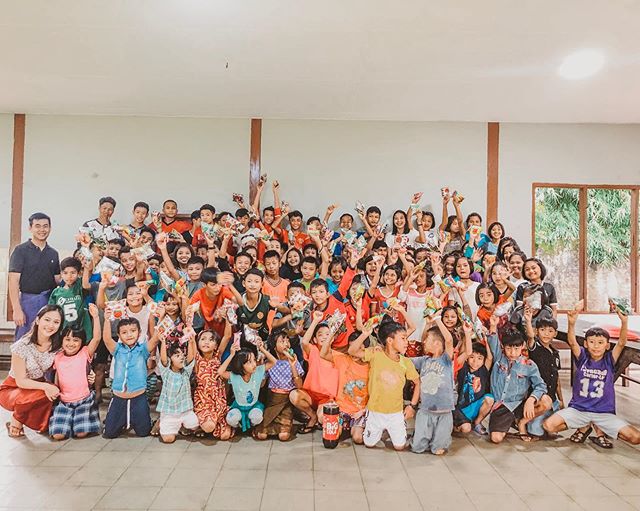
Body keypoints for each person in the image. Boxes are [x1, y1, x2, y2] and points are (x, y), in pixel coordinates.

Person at [543, 306, 640, 447]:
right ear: (586, 344)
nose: (596, 346)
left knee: (635, 438)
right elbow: (572, 342)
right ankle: (585, 426)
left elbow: (621, 343)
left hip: (603, 413)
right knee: (549, 426)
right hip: (579, 410)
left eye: (600, 343)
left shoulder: (609, 360)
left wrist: (624, 322)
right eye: (592, 342)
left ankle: (600, 428)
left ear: (607, 346)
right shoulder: (582, 357)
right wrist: (571, 322)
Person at [348, 321, 420, 451]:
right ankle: (377, 428)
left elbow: (417, 382)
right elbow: (352, 350)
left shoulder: (406, 362)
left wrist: (412, 406)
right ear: (390, 341)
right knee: (369, 443)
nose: (406, 342)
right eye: (403, 339)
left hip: (396, 413)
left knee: (399, 447)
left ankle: (391, 429)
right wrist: (364, 334)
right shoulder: (376, 354)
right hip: (375, 411)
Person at [485, 316, 551, 443]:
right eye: (509, 348)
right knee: (496, 438)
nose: (512, 353)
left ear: (523, 346)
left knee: (546, 401)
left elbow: (541, 386)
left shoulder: (529, 365)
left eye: (516, 348)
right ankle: (509, 423)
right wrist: (493, 325)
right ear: (503, 347)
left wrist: (531, 400)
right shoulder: (499, 357)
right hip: (502, 406)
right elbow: (492, 340)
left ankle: (521, 423)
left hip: (519, 404)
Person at [0, 305, 63, 437]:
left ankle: (31, 419)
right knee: (45, 391)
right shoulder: (21, 346)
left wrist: (89, 374)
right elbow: (21, 381)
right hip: (13, 387)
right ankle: (16, 420)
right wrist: (46, 386)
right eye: (47, 320)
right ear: (38, 320)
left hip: (37, 386)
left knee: (52, 393)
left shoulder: (58, 346)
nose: (51, 325)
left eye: (56, 322)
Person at [102, 314, 163, 438]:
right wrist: (107, 319)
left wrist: (161, 317)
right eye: (124, 332)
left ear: (139, 333)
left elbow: (156, 338)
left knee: (143, 432)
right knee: (109, 433)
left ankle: (147, 421)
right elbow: (107, 339)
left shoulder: (143, 349)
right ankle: (121, 421)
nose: (129, 335)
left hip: (138, 398)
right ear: (119, 335)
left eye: (133, 331)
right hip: (119, 398)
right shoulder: (117, 349)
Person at [49, 304, 102, 440]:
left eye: (76, 340)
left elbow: (96, 339)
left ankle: (77, 421)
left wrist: (95, 317)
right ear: (62, 341)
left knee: (81, 433)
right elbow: (57, 378)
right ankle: (69, 420)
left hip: (84, 400)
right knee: (58, 435)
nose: (71, 343)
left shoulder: (85, 353)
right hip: (64, 401)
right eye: (67, 339)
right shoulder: (58, 356)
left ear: (81, 342)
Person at [8, 213, 61, 339]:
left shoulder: (53, 253)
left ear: (50, 228)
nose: (42, 230)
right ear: (30, 228)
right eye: (37, 226)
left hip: (49, 302)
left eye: (45, 226)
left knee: (47, 340)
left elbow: (58, 280)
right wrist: (17, 309)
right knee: (24, 340)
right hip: (27, 302)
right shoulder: (20, 251)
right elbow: (13, 280)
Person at [319, 329, 372, 444]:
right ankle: (343, 427)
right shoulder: (342, 359)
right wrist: (332, 333)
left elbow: (375, 394)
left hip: (360, 411)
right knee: (333, 435)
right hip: (342, 409)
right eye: (351, 347)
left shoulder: (371, 367)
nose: (354, 352)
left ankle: (357, 428)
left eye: (358, 347)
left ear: (365, 349)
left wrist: (364, 411)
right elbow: (323, 353)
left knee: (358, 438)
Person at [290, 311, 339, 433]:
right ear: (315, 339)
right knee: (294, 396)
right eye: (320, 335)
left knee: (324, 418)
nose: (324, 337)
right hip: (310, 395)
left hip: (327, 398)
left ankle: (319, 417)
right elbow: (304, 342)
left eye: (327, 334)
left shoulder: (336, 356)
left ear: (332, 338)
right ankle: (312, 416)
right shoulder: (313, 350)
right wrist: (316, 320)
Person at [410, 324, 455, 455]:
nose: (423, 341)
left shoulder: (446, 360)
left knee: (438, 449)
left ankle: (441, 439)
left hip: (444, 411)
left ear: (436, 343)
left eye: (427, 339)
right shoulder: (423, 360)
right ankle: (419, 437)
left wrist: (437, 319)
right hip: (425, 410)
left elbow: (449, 340)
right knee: (417, 448)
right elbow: (404, 360)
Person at [255, 328, 304, 441]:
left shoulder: (294, 361)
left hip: (286, 402)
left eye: (287, 340)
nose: (286, 343)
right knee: (261, 435)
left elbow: (299, 386)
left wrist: (292, 366)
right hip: (273, 401)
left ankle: (286, 426)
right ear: (274, 346)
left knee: (284, 436)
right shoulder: (270, 363)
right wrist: (260, 368)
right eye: (282, 341)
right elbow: (262, 385)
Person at [217, 341, 277, 434]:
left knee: (256, 417)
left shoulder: (258, 371)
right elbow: (220, 371)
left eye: (254, 360)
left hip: (254, 406)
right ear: (240, 365)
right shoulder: (234, 376)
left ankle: (252, 426)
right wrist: (232, 355)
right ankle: (238, 426)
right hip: (238, 407)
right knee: (231, 419)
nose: (253, 364)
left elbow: (274, 361)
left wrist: (262, 349)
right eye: (249, 362)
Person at [523, 310, 563, 439]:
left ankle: (547, 418)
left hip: (552, 396)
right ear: (536, 331)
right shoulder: (535, 348)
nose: (546, 334)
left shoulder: (555, 353)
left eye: (550, 331)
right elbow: (529, 337)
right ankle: (523, 420)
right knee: (536, 432)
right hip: (539, 396)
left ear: (555, 333)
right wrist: (528, 320)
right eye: (543, 330)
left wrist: (561, 398)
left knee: (552, 431)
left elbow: (557, 378)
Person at [156, 328, 199, 443]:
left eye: (182, 355)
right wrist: (163, 342)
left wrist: (191, 342)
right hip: (170, 412)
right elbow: (163, 359)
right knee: (168, 439)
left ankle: (182, 424)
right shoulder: (166, 373)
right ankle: (162, 422)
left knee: (194, 424)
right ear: (171, 359)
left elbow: (190, 359)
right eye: (177, 355)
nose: (181, 357)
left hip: (185, 410)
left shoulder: (186, 372)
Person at [193, 328, 233, 439]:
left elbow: (227, 336)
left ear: (216, 345)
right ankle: (203, 423)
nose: (206, 342)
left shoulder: (217, 356)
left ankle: (218, 421)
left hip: (219, 402)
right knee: (209, 426)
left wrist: (228, 313)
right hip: (204, 402)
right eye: (203, 339)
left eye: (211, 340)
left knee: (225, 436)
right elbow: (191, 338)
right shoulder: (196, 358)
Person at [48, 257, 92, 337]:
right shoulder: (56, 293)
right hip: (62, 332)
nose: (69, 276)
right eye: (65, 273)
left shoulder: (79, 286)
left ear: (78, 274)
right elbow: (51, 312)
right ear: (61, 274)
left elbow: (85, 285)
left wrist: (86, 268)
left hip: (80, 330)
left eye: (73, 273)